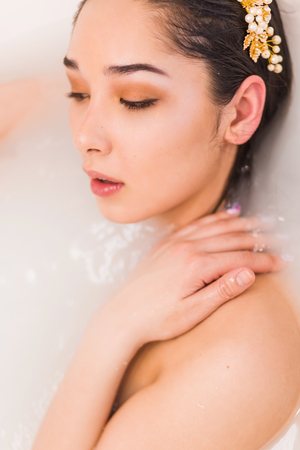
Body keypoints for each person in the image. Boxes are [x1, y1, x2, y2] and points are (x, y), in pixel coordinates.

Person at [32, 0, 300, 449]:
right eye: (77, 91)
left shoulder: (242, 354)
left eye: (136, 100)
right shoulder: (126, 191)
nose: (84, 137)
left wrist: (112, 330)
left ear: (240, 112)